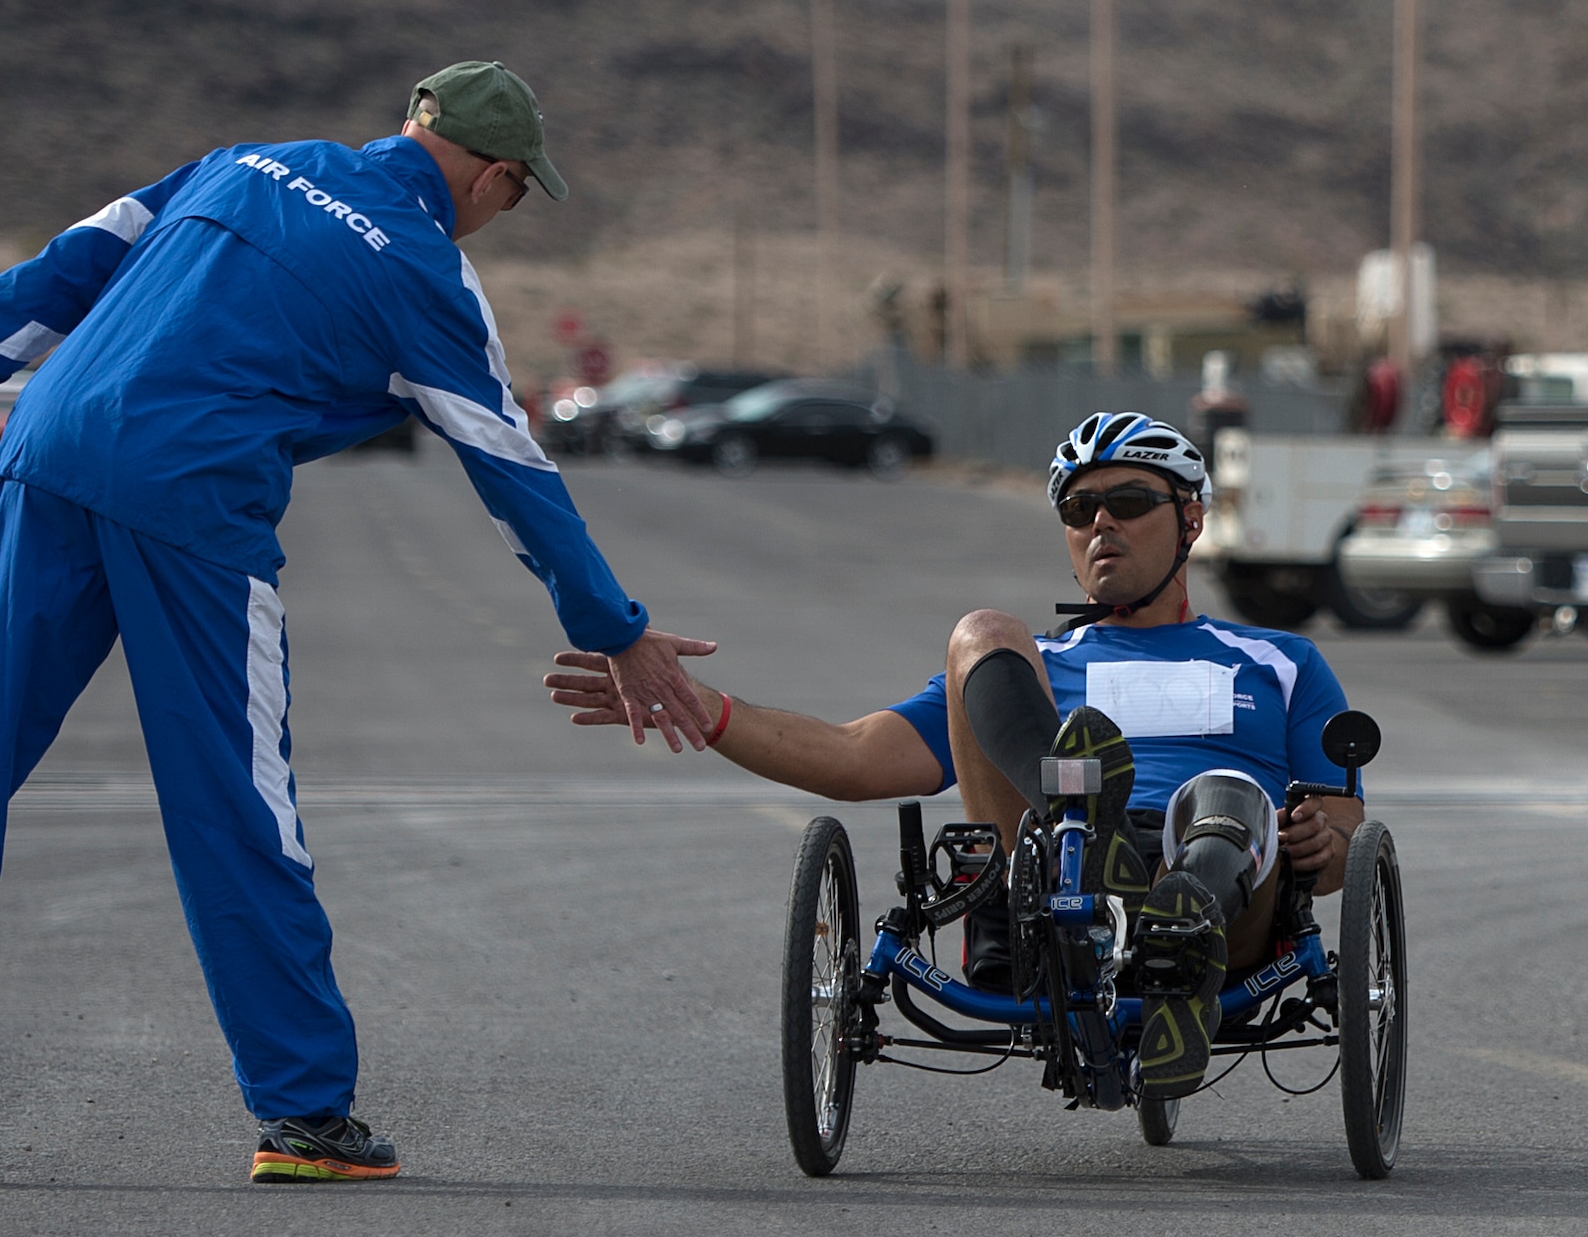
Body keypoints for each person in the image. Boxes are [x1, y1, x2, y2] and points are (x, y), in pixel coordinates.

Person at [0, 61, 717, 1184]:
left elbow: (70, 264)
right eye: (512, 194)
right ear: (493, 175)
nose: (502, 214)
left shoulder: (244, 162)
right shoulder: (427, 275)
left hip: (46, 453)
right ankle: (302, 1113)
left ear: (409, 123)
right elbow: (513, 472)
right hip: (193, 502)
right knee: (235, 802)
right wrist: (614, 625)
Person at [545, 411, 1364, 1099]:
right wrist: (703, 708)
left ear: (1191, 519)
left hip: (1228, 889)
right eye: (1079, 511)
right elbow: (854, 756)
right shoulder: (1030, 670)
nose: (1100, 523)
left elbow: (1335, 847)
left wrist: (1321, 844)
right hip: (1059, 882)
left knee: (1221, 797)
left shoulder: (1278, 661)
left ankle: (1174, 931)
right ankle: (1087, 827)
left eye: (1127, 500)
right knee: (980, 632)